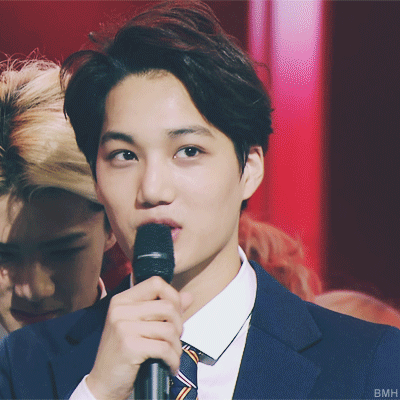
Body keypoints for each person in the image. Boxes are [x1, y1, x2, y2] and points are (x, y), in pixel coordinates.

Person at [1, 2, 399, 399]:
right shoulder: (23, 365)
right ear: (96, 180)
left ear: (250, 168)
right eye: (124, 155)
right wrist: (98, 392)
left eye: (188, 151)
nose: (152, 189)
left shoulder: (369, 361)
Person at [0, 59, 116, 339]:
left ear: (113, 224)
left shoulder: (173, 358)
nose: (34, 289)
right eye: (4, 256)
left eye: (62, 253)